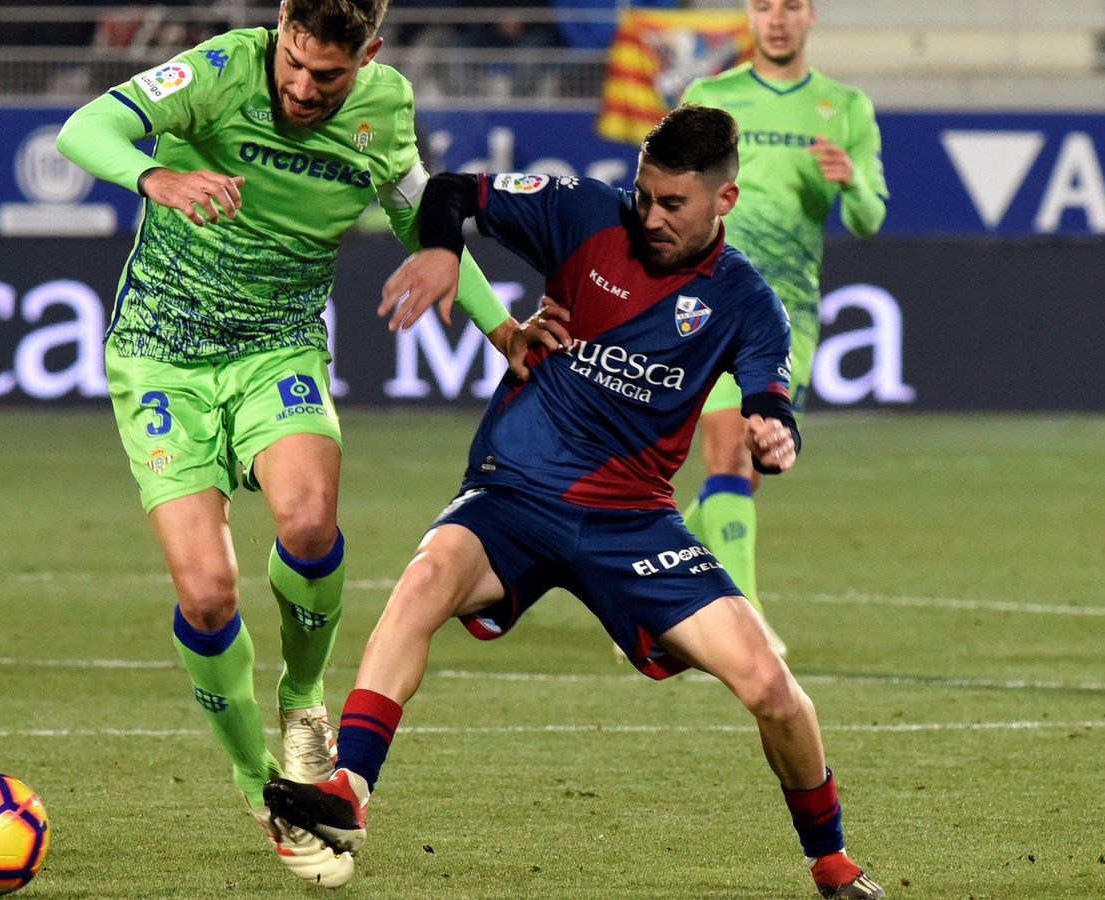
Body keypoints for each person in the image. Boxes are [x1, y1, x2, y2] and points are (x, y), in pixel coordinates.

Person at [264, 104, 886, 899]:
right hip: (514, 491)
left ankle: (830, 860)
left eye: (673, 205)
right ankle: (349, 791)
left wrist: (773, 429)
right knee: (424, 580)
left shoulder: (745, 302)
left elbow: (769, 391)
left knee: (770, 686)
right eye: (645, 194)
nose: (650, 216)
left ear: (723, 203)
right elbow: (452, 190)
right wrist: (445, 253)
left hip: (631, 521)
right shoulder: (585, 213)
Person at [54, 0, 519, 888]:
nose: (305, 90)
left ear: (368, 56)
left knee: (308, 525)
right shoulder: (224, 70)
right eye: (295, 66)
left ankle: (304, 698)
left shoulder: (385, 108)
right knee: (207, 590)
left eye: (329, 76)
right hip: (161, 357)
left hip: (278, 347)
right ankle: (258, 783)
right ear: (279, 30)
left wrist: (505, 334)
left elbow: (426, 220)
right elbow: (87, 127)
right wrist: (156, 177)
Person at [673, 0, 887, 655]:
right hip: (709, 298)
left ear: (810, 16)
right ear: (750, 14)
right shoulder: (712, 96)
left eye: (790, 5)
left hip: (788, 311)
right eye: (764, 5)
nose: (776, 18)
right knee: (729, 450)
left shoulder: (844, 107)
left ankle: (645, 587)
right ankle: (746, 621)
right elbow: (664, 189)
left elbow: (870, 218)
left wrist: (850, 182)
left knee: (747, 469)